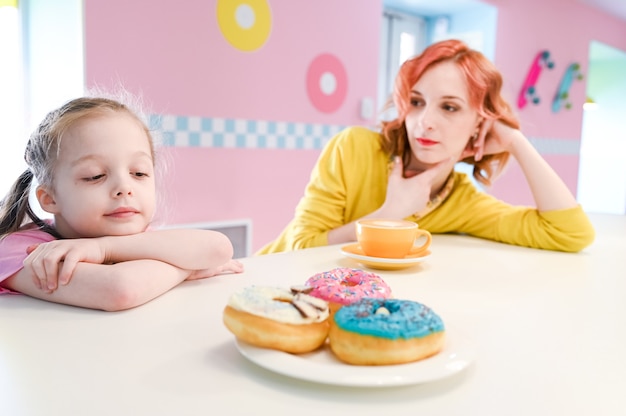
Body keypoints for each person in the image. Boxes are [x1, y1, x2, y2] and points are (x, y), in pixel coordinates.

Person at [258, 39, 595, 255]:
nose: (424, 122)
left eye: (449, 107)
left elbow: (570, 233)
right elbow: (299, 249)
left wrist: (516, 142)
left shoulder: (461, 199)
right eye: (417, 102)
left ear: (481, 121)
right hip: (267, 282)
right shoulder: (353, 148)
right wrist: (390, 213)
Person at [0, 94, 243, 311]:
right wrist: (190, 268)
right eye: (95, 176)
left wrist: (103, 248)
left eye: (139, 173)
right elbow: (120, 289)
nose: (124, 188)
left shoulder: (130, 236)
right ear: (50, 198)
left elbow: (219, 249)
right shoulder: (22, 251)